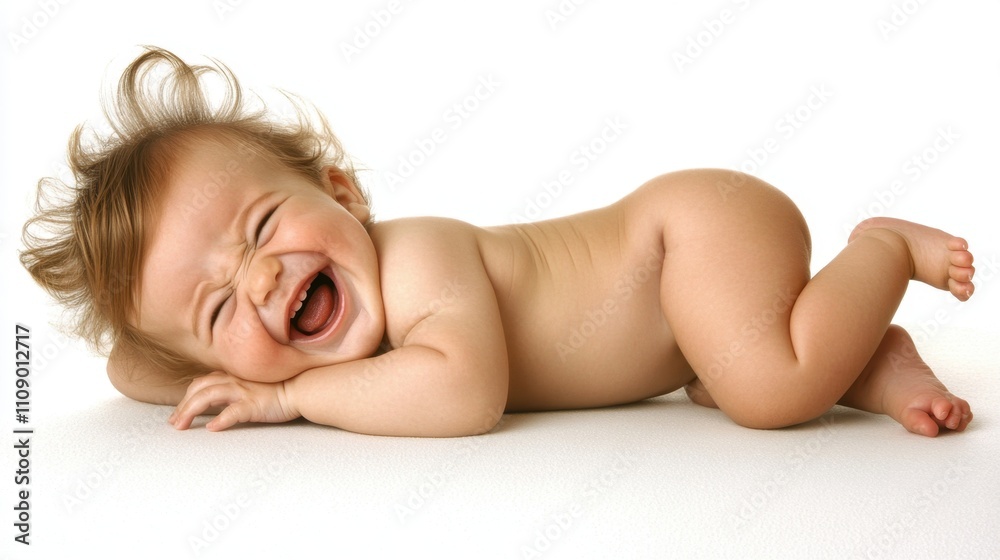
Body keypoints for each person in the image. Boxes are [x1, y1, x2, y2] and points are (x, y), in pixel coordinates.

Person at [21, 47, 975, 438]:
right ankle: (869, 358)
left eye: (264, 227)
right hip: (690, 331)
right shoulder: (320, 331)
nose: (263, 278)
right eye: (221, 305)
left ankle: (882, 249)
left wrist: (285, 394)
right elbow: (131, 369)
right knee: (728, 373)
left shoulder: (417, 259)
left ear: (341, 191)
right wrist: (189, 357)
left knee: (765, 393)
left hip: (690, 235)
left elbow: (465, 395)